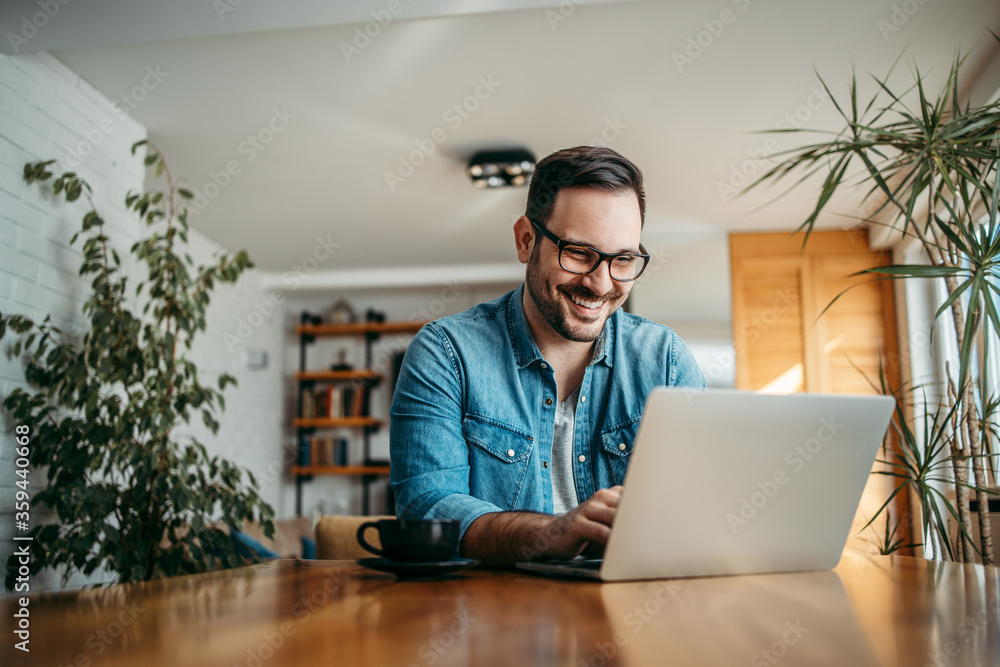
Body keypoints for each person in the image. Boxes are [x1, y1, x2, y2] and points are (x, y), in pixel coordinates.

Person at [389, 146, 705, 565]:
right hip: (493, 617)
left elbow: (701, 508)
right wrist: (553, 531)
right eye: (578, 253)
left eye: (623, 259)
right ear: (526, 240)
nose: (601, 283)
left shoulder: (665, 361)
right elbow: (427, 508)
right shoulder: (446, 353)